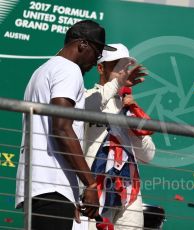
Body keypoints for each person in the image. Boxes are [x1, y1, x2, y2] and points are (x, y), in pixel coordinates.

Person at [15, 20, 117, 230]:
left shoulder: (42, 70)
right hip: (51, 186)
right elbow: (61, 127)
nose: (95, 60)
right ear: (82, 45)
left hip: (37, 187)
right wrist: (90, 183)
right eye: (97, 53)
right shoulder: (69, 70)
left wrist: (70, 192)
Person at [73, 43, 155, 230]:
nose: (122, 71)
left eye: (125, 66)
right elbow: (85, 108)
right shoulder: (87, 97)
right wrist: (116, 86)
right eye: (116, 65)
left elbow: (149, 155)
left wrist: (132, 117)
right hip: (94, 189)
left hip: (129, 192)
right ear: (100, 68)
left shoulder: (130, 108)